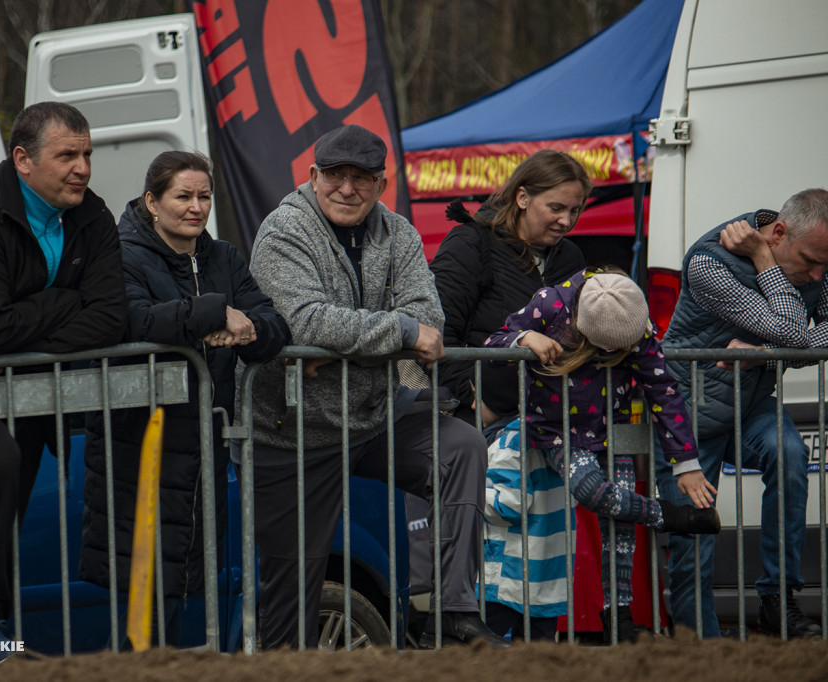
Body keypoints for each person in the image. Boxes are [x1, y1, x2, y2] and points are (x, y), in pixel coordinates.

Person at [246, 124, 507, 650]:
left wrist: (345, 350)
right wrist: (400, 334)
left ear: (381, 183)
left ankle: (455, 610)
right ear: (313, 177)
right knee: (292, 595)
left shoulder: (399, 232)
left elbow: (429, 315)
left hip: (374, 416)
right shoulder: (283, 231)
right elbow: (309, 323)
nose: (348, 188)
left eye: (362, 178)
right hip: (293, 433)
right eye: (336, 176)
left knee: (462, 447)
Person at [0, 101, 125, 661]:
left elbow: (111, 316)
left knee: (6, 513)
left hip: (30, 391)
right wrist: (65, 302)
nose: (82, 167)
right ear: (23, 160)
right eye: (67, 155)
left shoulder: (92, 214)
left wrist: (25, 328)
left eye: (86, 154)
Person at [79, 151, 289, 644]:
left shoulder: (224, 257)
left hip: (203, 446)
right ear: (151, 201)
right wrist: (213, 312)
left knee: (179, 587)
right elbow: (134, 322)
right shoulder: (120, 253)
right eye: (183, 196)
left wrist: (242, 329)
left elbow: (273, 324)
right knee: (144, 588)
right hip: (139, 443)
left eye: (204, 196)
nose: (196, 207)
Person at [484, 268, 722, 643]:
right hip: (557, 430)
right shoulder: (550, 304)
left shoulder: (635, 320)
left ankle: (619, 616)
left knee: (620, 527)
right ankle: (666, 515)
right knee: (593, 493)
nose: (613, 354)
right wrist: (525, 338)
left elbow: (663, 390)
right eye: (606, 346)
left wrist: (686, 463)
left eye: (621, 348)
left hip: (614, 428)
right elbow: (492, 343)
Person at [656, 188, 828, 639]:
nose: (816, 275)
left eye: (825, 266)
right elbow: (795, 331)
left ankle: (777, 600)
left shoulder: (818, 258)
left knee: (791, 457)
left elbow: (820, 339)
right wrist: (767, 266)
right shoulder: (709, 262)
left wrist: (766, 353)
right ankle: (700, 644)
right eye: (810, 260)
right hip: (685, 412)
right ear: (777, 233)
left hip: (749, 406)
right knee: (693, 534)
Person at [430, 150, 589, 438]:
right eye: (556, 208)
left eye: (574, 210)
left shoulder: (571, 257)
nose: (565, 221)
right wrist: (476, 400)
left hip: (552, 422)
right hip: (478, 424)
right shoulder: (471, 243)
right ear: (522, 198)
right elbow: (436, 330)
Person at [482, 419, 574, 643]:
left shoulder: (511, 443)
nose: (474, 406)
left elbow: (508, 507)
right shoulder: (560, 442)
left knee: (481, 650)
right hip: (547, 576)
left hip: (508, 576)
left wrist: (471, 489)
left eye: (479, 397)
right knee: (539, 654)